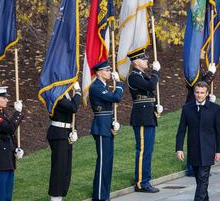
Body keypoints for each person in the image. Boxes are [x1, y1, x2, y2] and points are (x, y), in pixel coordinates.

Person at [176, 81, 220, 201]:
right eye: (197, 92)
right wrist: (179, 148)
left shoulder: (215, 109)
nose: (199, 95)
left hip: (208, 150)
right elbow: (181, 130)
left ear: (207, 93)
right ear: (194, 92)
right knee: (200, 180)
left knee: (203, 179)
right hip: (194, 150)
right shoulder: (187, 108)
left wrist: (219, 150)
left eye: (202, 93)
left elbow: (219, 131)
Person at [127, 49, 163, 193]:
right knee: (143, 150)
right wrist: (156, 72)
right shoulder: (133, 76)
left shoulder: (142, 75)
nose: (147, 61)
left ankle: (145, 179)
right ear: (136, 62)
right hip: (141, 117)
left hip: (148, 115)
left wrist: (156, 106)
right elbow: (151, 86)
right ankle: (141, 183)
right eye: (143, 59)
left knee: (148, 150)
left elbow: (150, 91)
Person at [89, 60, 124, 201]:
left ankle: (104, 195)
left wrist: (113, 122)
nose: (110, 72)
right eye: (107, 70)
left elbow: (108, 106)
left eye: (110, 70)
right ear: (99, 72)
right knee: (103, 163)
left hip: (106, 127)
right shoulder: (96, 87)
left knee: (108, 163)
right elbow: (116, 98)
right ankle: (99, 197)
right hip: (101, 128)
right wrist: (120, 83)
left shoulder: (103, 86)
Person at [0, 86, 24, 201]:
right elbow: (10, 128)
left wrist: (15, 149)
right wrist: (17, 113)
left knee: (7, 197)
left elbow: (8, 136)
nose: (7, 100)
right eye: (4, 97)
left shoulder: (3, 115)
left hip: (7, 160)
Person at [47, 82, 81, 201]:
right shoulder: (56, 93)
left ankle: (60, 196)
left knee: (66, 169)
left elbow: (70, 114)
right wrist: (78, 92)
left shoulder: (64, 93)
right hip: (58, 133)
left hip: (66, 132)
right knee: (59, 168)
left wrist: (74, 129)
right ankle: (55, 198)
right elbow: (73, 107)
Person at [185, 50, 217, 177]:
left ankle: (201, 166)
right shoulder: (192, 66)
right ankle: (192, 168)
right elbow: (197, 86)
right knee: (194, 137)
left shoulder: (197, 64)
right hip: (193, 105)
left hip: (201, 103)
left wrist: (209, 98)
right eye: (202, 49)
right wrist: (210, 74)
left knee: (201, 136)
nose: (204, 51)